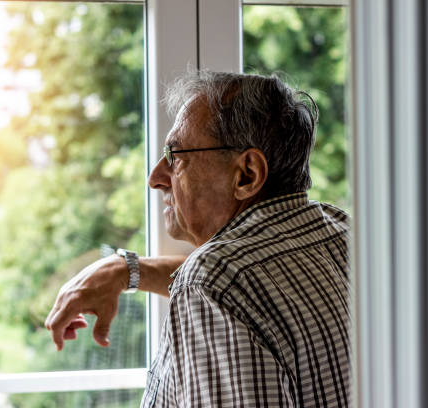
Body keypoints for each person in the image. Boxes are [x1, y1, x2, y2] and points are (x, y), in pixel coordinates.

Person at [45, 71, 350, 407]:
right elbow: (254, 285)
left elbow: (224, 283)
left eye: (175, 157)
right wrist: (127, 270)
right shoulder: (339, 231)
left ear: (247, 173)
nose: (155, 177)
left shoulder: (212, 281)